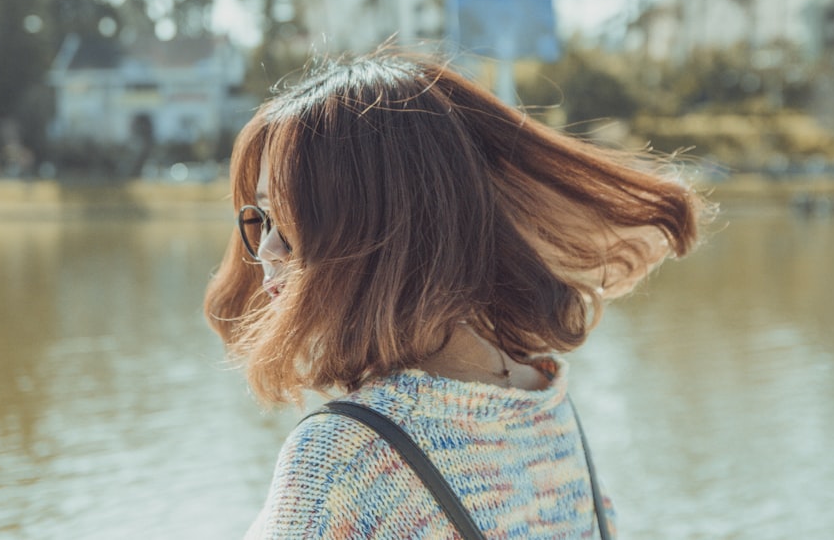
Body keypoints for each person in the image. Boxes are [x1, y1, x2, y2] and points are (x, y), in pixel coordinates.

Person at [204, 50, 708, 539]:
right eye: (261, 217)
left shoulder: (345, 458)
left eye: (290, 218)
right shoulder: (546, 403)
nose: (266, 247)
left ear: (377, 230)